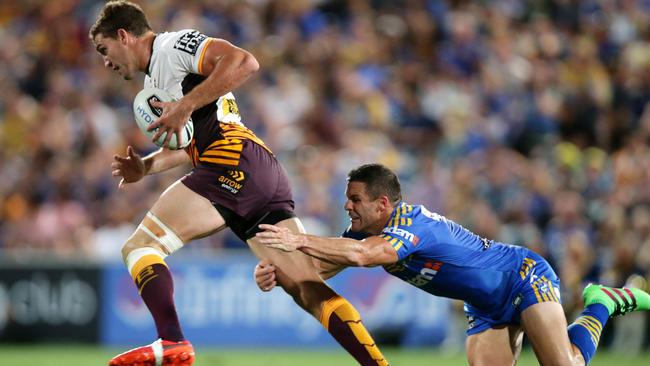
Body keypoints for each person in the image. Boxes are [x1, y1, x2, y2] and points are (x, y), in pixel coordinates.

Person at [89, 2, 387, 366]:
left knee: (140, 247)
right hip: (255, 168)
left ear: (124, 35)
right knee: (305, 287)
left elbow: (245, 62)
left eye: (104, 50)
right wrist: (146, 167)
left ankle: (171, 341)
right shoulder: (155, 82)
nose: (105, 61)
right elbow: (191, 145)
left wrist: (184, 106)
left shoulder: (172, 46)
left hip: (231, 162)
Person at [254, 163, 650, 365]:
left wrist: (298, 238)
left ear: (382, 204)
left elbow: (365, 256)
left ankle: (602, 302)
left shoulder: (412, 224)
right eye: (347, 198)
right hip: (485, 306)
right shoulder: (362, 232)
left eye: (354, 199)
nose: (347, 206)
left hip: (521, 277)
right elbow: (321, 270)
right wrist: (279, 273)